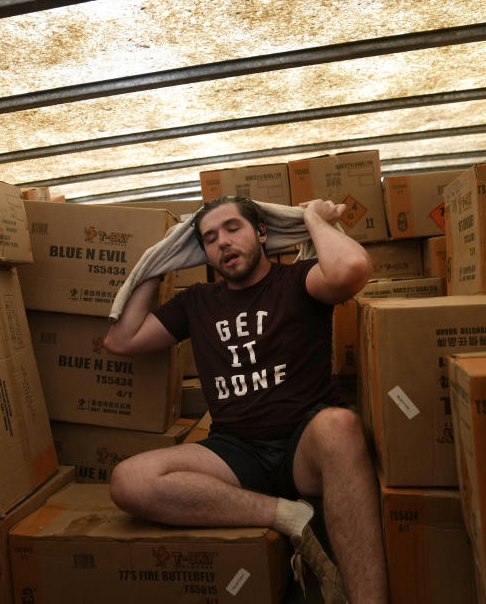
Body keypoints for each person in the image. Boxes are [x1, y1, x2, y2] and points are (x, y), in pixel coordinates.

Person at [103, 195, 388, 603]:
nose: (222, 242)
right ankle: (289, 516)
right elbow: (121, 339)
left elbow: (352, 269)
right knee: (129, 480)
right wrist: (160, 260)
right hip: (235, 450)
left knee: (341, 424)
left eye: (233, 228)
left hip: (303, 444)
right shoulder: (196, 301)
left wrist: (312, 218)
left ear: (261, 233)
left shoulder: (297, 280)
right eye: (209, 238)